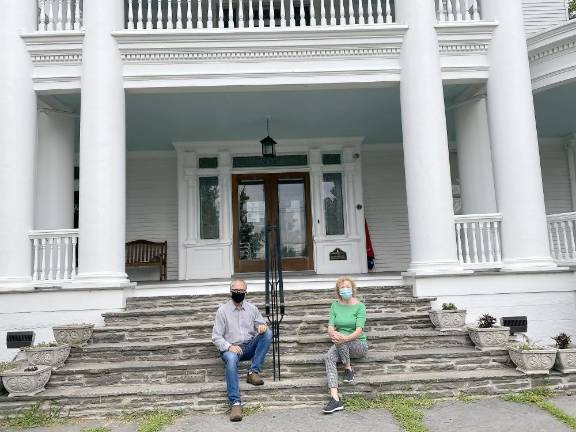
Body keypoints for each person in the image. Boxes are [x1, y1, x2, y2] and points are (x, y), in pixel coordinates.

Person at [212, 278, 273, 422]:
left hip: (248, 346)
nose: (238, 293)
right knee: (232, 359)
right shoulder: (222, 311)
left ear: (246, 292)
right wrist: (229, 346)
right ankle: (235, 403)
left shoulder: (252, 309)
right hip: (231, 348)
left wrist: (262, 326)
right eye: (235, 290)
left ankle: (253, 372)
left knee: (268, 332)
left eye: (241, 290)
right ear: (231, 291)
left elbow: (261, 324)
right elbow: (216, 337)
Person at [323, 276, 368, 414]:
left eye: (347, 287)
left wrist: (344, 338)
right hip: (340, 342)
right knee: (328, 358)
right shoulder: (335, 305)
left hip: (358, 344)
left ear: (352, 289)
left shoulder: (360, 306)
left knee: (341, 339)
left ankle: (348, 368)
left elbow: (359, 330)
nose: (345, 289)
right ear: (338, 290)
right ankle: (335, 399)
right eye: (342, 287)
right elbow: (330, 327)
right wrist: (333, 334)